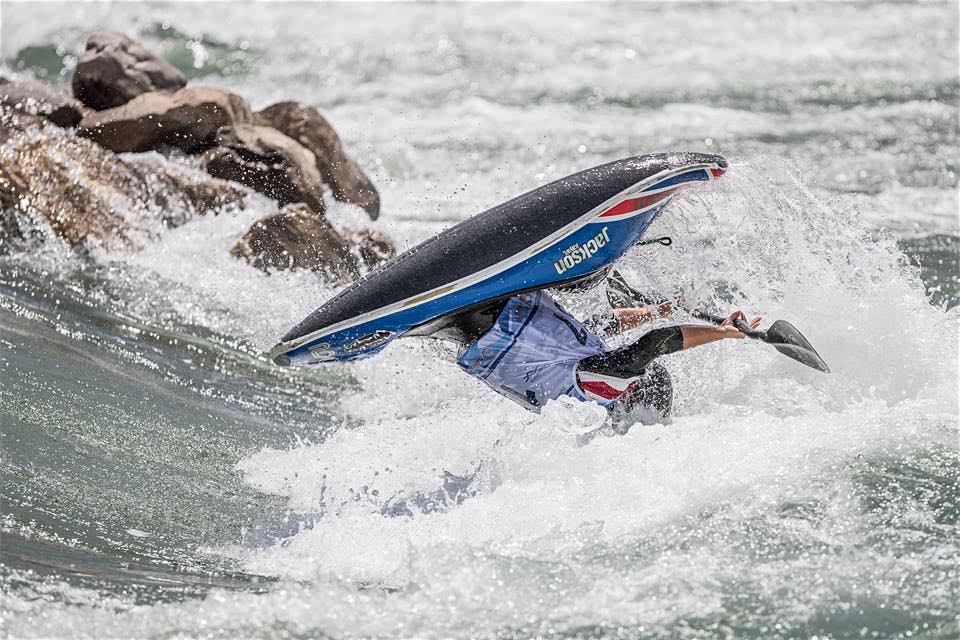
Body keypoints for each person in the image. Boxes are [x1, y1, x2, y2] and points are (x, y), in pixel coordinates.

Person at [432, 280, 762, 424]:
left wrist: (722, 333)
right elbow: (598, 326)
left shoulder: (601, 390)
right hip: (475, 333)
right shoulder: (587, 386)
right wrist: (656, 311)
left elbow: (654, 343)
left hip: (494, 316)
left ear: (632, 393)